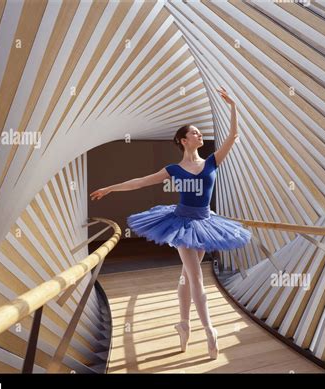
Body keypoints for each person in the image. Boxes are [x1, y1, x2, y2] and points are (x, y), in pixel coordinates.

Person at [90, 87, 251, 360]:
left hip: (205, 222)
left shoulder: (212, 161)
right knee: (196, 276)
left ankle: (183, 324)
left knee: (188, 276)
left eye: (200, 132)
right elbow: (139, 182)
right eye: (195, 133)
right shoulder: (173, 169)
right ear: (183, 140)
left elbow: (234, 136)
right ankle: (210, 330)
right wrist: (110, 188)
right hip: (182, 223)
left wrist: (233, 105)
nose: (200, 135)